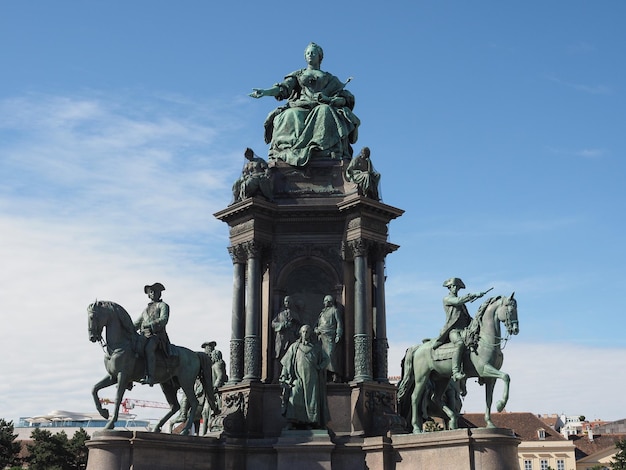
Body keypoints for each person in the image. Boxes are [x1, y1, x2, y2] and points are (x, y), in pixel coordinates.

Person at [249, 42, 360, 167]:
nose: (310, 55)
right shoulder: (298, 74)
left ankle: (321, 149)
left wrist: (330, 99)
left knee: (325, 111)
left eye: (313, 52)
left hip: (321, 105)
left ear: (320, 56)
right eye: (307, 53)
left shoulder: (330, 78)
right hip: (300, 106)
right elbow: (283, 88)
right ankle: (289, 151)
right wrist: (265, 92)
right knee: (290, 115)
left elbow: (344, 97)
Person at [432, 278, 486, 381]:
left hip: (464, 330)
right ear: (450, 287)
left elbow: (466, 317)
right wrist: (474, 295)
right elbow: (458, 300)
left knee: (476, 343)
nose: (456, 288)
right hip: (454, 331)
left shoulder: (462, 305)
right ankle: (456, 371)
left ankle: (480, 372)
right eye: (454, 286)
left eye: (458, 287)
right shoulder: (447, 299)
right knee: (460, 344)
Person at [279, 325, 330, 429]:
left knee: (312, 400)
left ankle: (311, 423)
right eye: (303, 332)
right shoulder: (294, 347)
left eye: (307, 332)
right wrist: (284, 375)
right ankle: (293, 421)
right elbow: (286, 362)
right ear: (300, 333)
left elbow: (326, 359)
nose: (305, 334)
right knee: (295, 395)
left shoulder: (316, 347)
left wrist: (320, 366)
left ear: (310, 333)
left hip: (312, 379)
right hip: (297, 378)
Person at [134, 282, 170, 386]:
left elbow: (164, 319)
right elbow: (137, 323)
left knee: (149, 348)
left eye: (155, 291)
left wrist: (151, 324)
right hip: (144, 336)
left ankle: (150, 376)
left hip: (157, 336)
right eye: (151, 292)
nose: (153, 293)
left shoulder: (163, 305)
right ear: (149, 294)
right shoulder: (145, 310)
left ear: (160, 293)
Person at [314, 295, 344, 383]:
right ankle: (325, 375)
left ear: (329, 301)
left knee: (331, 355)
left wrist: (338, 334)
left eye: (325, 301)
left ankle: (335, 374)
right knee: (322, 356)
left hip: (330, 336)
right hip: (321, 336)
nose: (324, 303)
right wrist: (316, 329)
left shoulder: (335, 310)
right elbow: (316, 324)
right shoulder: (322, 313)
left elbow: (339, 323)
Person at [271, 296, 300, 381]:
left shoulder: (295, 314)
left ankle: (291, 376)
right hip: (281, 338)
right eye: (286, 301)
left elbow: (299, 327)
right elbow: (273, 323)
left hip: (291, 337)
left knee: (292, 357)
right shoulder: (280, 313)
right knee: (278, 355)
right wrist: (282, 325)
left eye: (288, 301)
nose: (287, 303)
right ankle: (276, 377)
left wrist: (294, 328)